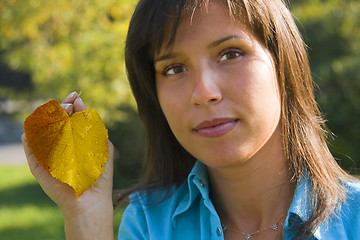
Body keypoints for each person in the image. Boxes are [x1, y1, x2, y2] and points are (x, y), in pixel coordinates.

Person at [22, 0, 360, 239]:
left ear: (283, 63)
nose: (203, 92)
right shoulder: (149, 224)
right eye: (174, 68)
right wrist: (86, 217)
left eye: (230, 53)